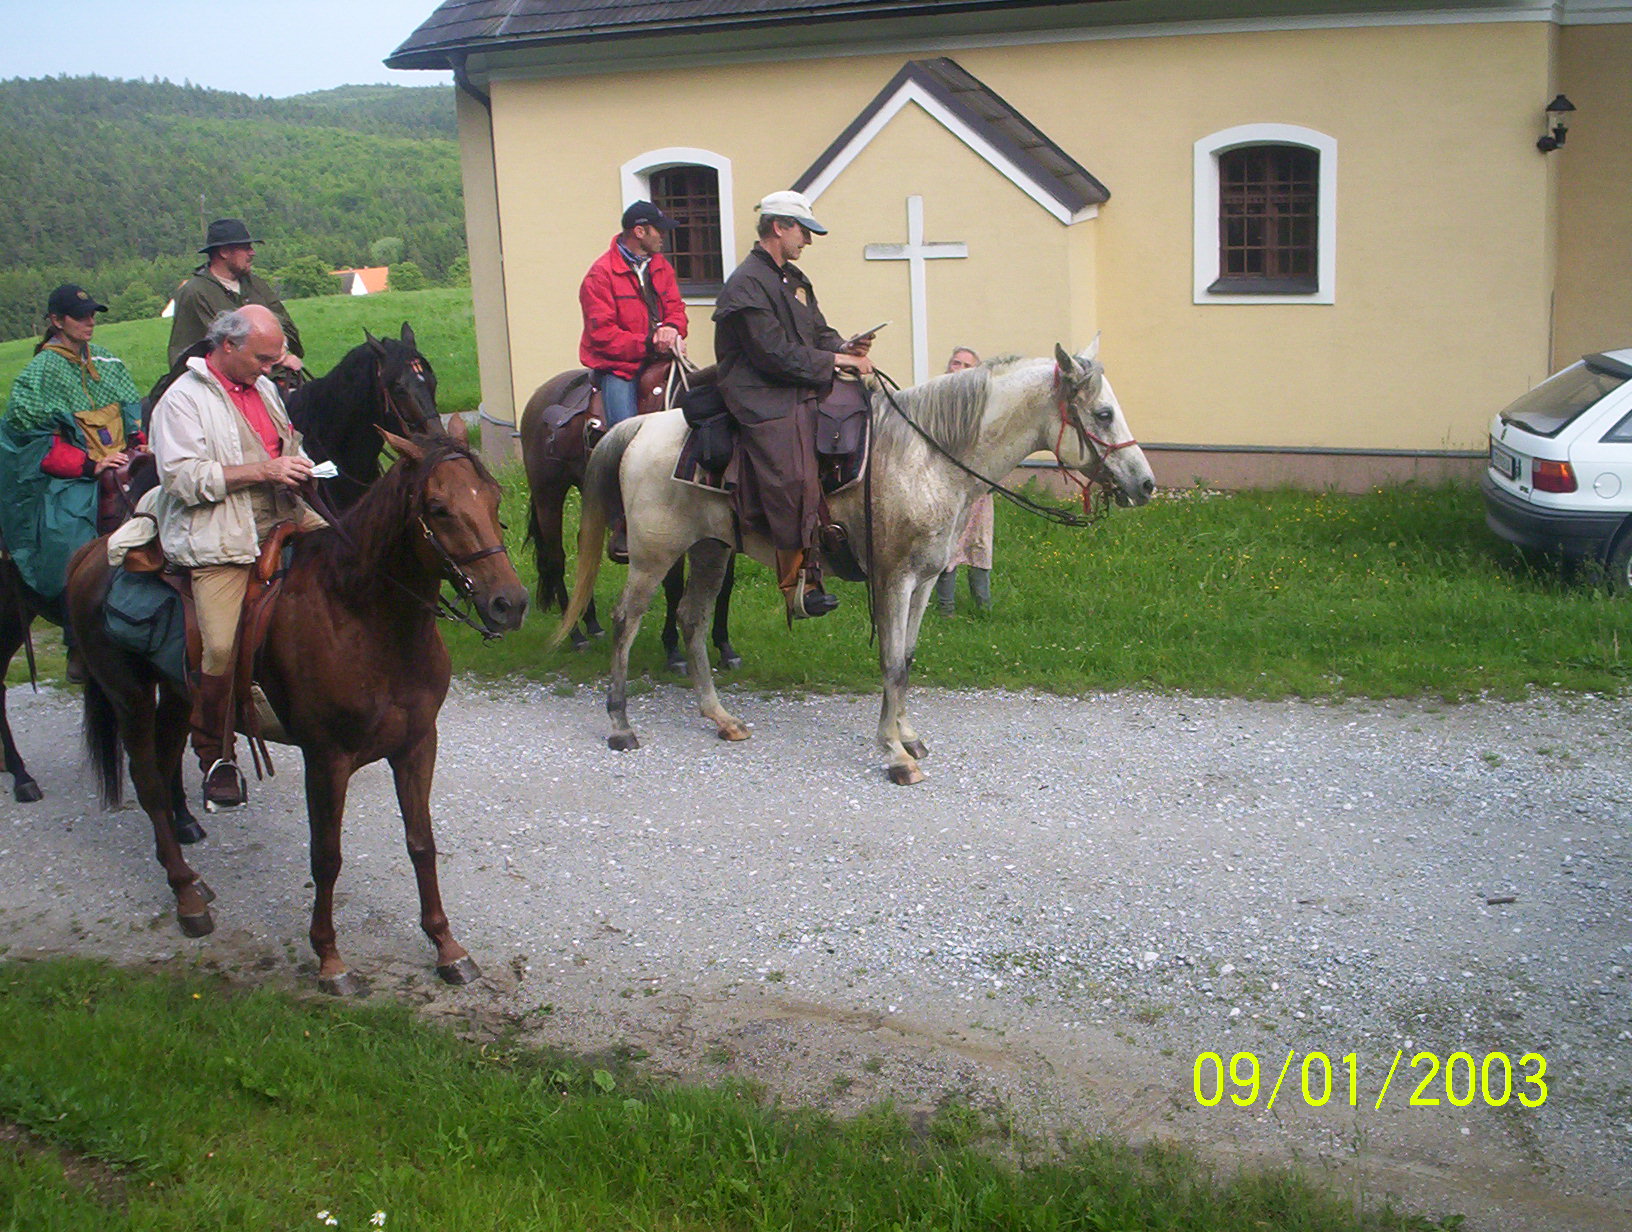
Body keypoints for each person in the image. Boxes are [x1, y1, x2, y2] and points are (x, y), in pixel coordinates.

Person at [150, 305, 326, 811]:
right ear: (227, 346)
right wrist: (265, 471)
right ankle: (215, 753)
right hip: (218, 534)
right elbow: (182, 479)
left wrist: (301, 467)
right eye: (263, 359)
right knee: (221, 645)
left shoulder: (263, 388)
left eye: (274, 359)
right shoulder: (181, 400)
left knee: (352, 567)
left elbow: (285, 444)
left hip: (283, 514)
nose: (270, 368)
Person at [713, 190, 873, 621]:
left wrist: (844, 346)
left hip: (796, 381)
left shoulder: (794, 280)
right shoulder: (746, 283)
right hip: (759, 390)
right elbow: (772, 354)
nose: (808, 240)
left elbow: (817, 333)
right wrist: (836, 361)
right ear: (778, 227)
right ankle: (798, 581)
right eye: (803, 231)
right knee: (793, 473)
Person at [0, 284, 148, 678]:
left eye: (92, 314)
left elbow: (131, 414)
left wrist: (139, 444)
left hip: (122, 461)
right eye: (80, 316)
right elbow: (33, 444)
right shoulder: (38, 375)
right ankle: (78, 641)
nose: (89, 322)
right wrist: (90, 466)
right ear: (56, 321)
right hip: (70, 475)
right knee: (70, 535)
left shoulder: (107, 361)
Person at [578, 200, 689, 426]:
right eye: (659, 230)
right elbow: (602, 335)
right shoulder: (600, 275)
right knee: (626, 432)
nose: (664, 236)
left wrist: (672, 328)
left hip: (662, 359)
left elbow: (676, 308)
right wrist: (650, 342)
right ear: (639, 232)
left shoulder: (662, 266)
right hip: (619, 367)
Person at [167, 218, 305, 383]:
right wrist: (276, 358)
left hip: (280, 379)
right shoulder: (195, 293)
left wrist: (281, 348)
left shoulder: (256, 284)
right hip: (224, 387)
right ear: (224, 252)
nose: (252, 253)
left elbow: (288, 329)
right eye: (245, 248)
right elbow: (217, 350)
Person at [935, 346, 995, 615]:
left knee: (979, 541)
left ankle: (983, 608)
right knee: (948, 543)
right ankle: (945, 609)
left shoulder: (985, 404)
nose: (959, 369)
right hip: (947, 482)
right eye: (955, 363)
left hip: (978, 484)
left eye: (967, 365)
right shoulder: (937, 399)